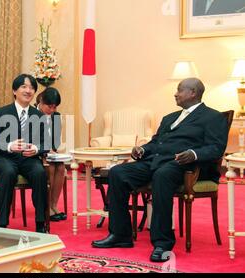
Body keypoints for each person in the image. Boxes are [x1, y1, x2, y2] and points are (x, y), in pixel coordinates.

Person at [91, 78, 228, 262]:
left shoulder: (213, 117)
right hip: (155, 161)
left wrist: (194, 154)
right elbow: (155, 143)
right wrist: (143, 150)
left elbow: (216, 148)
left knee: (162, 176)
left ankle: (162, 243)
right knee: (118, 173)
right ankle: (120, 234)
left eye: (179, 90)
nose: (175, 94)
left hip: (185, 165)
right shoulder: (169, 117)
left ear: (193, 93)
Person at [0, 74, 48, 233]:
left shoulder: (39, 115)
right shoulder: (0, 113)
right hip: (4, 157)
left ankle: (41, 223)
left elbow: (46, 143)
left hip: (28, 158)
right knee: (8, 172)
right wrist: (9, 146)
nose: (28, 91)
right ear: (15, 90)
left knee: (39, 172)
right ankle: (2, 224)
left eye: (32, 88)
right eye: (24, 87)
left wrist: (35, 149)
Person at [36, 87, 66, 222]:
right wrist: (45, 149)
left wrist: (53, 149)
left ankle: (54, 205)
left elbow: (56, 140)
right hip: (35, 153)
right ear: (41, 101)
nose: (52, 110)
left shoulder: (56, 116)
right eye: (50, 106)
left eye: (55, 107)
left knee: (61, 167)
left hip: (49, 153)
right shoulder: (31, 114)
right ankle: (46, 206)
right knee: (51, 167)